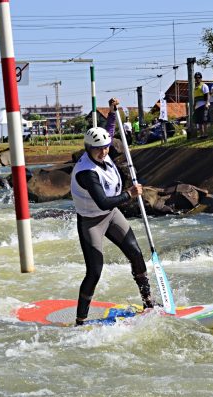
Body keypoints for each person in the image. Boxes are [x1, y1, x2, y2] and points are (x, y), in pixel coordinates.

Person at [70, 99, 155, 326]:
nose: (104, 151)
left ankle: (149, 302)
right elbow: (104, 202)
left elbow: (107, 132)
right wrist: (129, 194)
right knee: (95, 271)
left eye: (106, 147)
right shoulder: (87, 173)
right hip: (91, 222)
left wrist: (112, 113)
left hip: (111, 216)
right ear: (88, 148)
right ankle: (80, 320)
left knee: (136, 254)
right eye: (99, 149)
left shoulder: (102, 151)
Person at [192, 72, 210, 139]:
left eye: (199, 77)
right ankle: (201, 135)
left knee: (204, 121)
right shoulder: (195, 87)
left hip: (203, 105)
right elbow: (195, 98)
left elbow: (207, 95)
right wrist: (194, 105)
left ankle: (205, 134)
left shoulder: (204, 86)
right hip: (197, 106)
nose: (197, 79)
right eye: (196, 78)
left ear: (201, 78)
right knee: (199, 121)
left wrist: (207, 103)